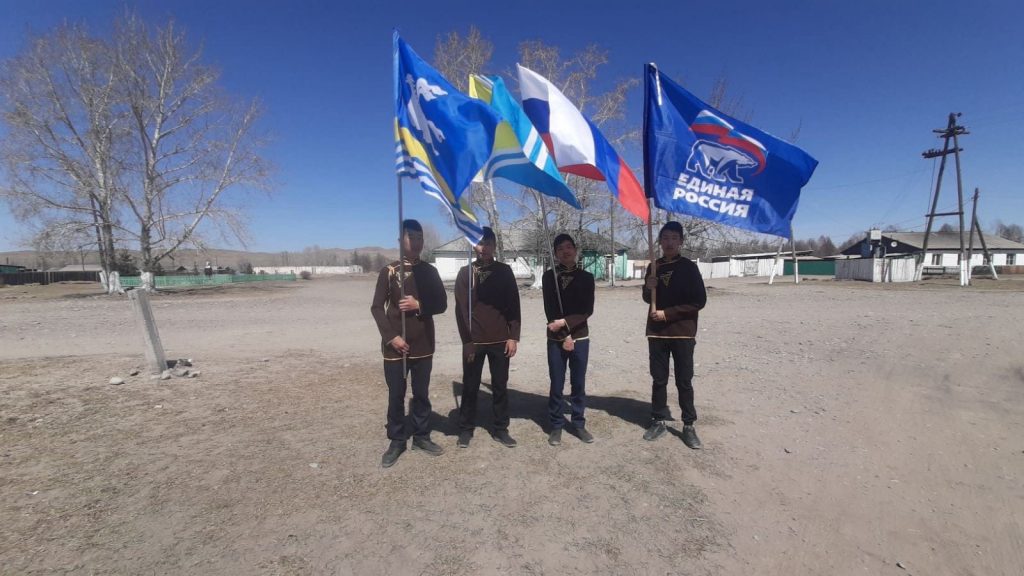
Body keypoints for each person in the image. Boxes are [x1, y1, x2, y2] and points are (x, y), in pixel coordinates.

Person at [370, 219, 447, 468]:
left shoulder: (429, 271)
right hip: (395, 346)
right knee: (396, 395)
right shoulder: (389, 271)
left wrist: (419, 305)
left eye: (420, 237)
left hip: (423, 344)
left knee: (421, 394)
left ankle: (422, 436)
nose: (416, 242)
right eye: (411, 237)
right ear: (400, 240)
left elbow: (442, 303)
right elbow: (376, 307)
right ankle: (397, 440)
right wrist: (391, 337)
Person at [641, 221, 707, 449]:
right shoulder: (654, 266)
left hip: (682, 333)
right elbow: (647, 299)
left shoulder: (688, 268)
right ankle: (658, 420)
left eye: (674, 238)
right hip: (657, 333)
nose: (669, 242)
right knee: (659, 380)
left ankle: (688, 425)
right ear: (660, 241)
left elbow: (699, 301)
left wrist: (667, 314)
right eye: (665, 238)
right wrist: (648, 287)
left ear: (681, 241)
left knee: (684, 380)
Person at [455, 227, 521, 449]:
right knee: (470, 386)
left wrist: (513, 336)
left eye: (488, 243)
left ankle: (501, 428)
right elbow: (461, 311)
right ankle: (466, 428)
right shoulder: (465, 273)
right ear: (473, 245)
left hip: (500, 340)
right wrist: (467, 341)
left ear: (494, 246)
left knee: (500, 386)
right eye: (480, 243)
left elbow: (513, 305)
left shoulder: (504, 271)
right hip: (474, 342)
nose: (484, 248)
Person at [542, 233, 595, 446]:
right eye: (560, 248)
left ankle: (578, 423)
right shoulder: (549, 277)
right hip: (556, 337)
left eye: (568, 247)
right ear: (555, 253)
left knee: (578, 383)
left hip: (580, 337)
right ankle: (556, 425)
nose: (565, 251)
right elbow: (550, 309)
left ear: (575, 249)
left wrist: (567, 325)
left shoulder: (586, 277)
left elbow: (587, 310)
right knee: (556, 383)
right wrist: (564, 335)